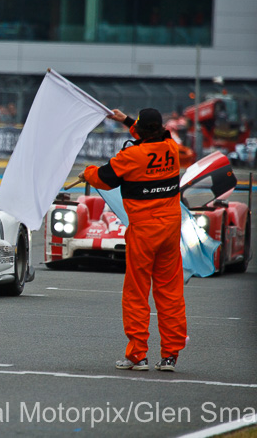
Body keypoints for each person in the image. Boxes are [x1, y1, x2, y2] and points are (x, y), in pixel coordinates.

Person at [79, 108, 187, 372]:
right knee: (170, 292)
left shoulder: (132, 156)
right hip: (171, 230)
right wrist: (126, 119)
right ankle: (170, 355)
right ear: (160, 128)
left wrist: (87, 173)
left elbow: (104, 179)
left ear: (139, 130)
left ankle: (137, 355)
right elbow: (151, 135)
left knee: (137, 293)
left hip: (143, 232)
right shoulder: (172, 149)